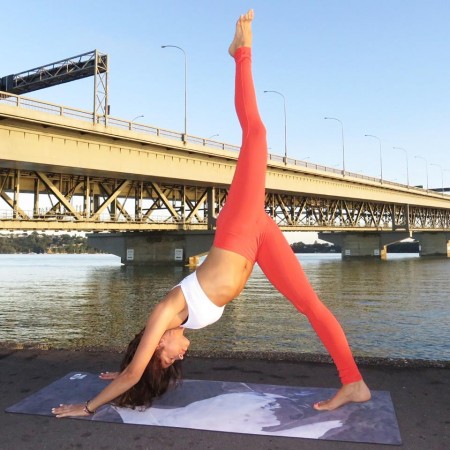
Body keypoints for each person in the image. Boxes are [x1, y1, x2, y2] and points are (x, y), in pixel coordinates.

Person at [53, 9, 370, 418]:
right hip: (257, 243)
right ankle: (355, 383)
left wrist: (89, 407)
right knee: (311, 305)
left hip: (239, 230)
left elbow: (135, 372)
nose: (179, 356)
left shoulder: (166, 311)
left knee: (257, 133)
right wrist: (119, 371)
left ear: (156, 345)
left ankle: (241, 53)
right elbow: (132, 368)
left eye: (167, 359)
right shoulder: (181, 324)